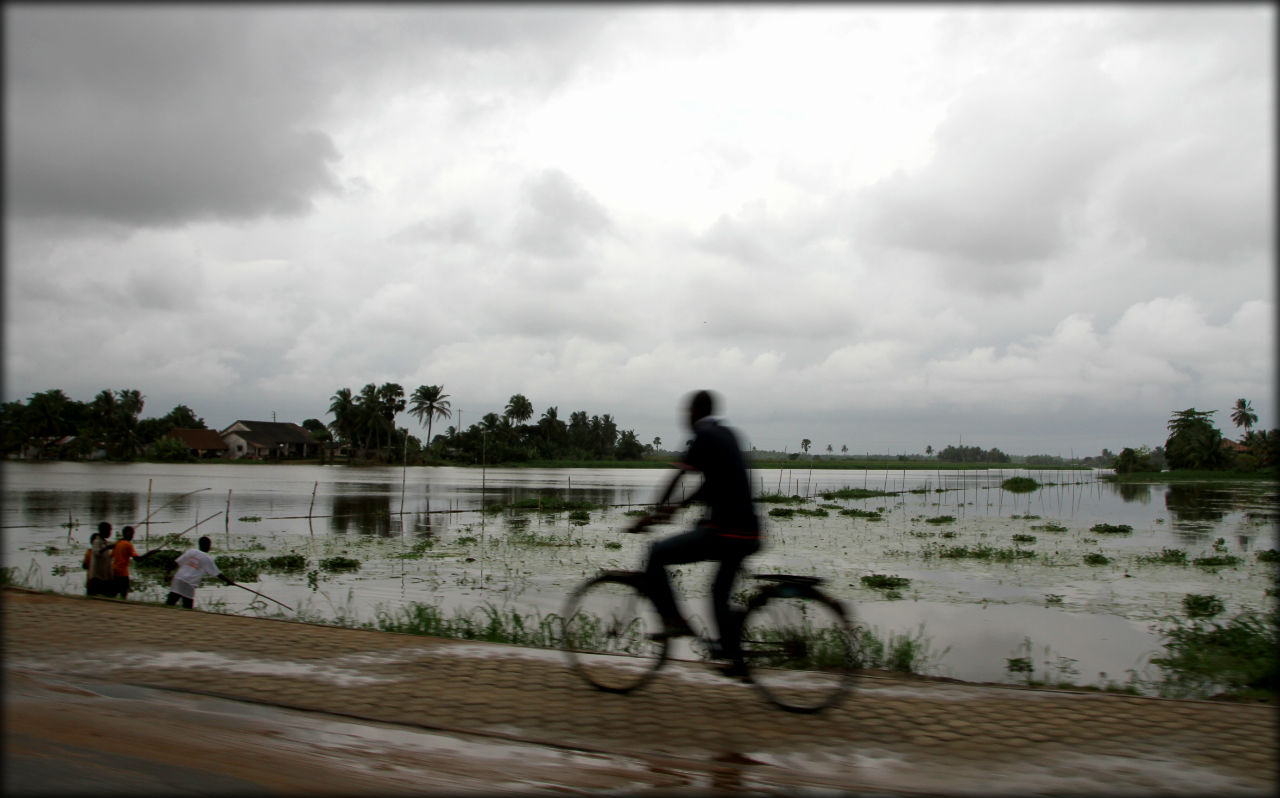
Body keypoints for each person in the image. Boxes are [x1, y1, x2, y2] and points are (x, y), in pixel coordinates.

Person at [629, 390, 762, 678]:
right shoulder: (726, 434)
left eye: (686, 413)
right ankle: (735, 658)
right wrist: (676, 508)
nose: (684, 419)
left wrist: (653, 514)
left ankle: (674, 620)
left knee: (656, 553)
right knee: (718, 596)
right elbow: (710, 484)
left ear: (695, 413)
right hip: (747, 531)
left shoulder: (703, 435)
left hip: (727, 533)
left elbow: (677, 475)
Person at [165, 536, 235, 609]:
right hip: (189, 583)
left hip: (178, 579)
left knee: (170, 604)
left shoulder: (191, 551)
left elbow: (176, 562)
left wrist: (167, 573)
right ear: (208, 546)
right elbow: (217, 574)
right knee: (187, 608)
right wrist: (229, 581)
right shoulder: (207, 558)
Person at [108, 526, 149, 599]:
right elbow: (138, 559)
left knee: (112, 595)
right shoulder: (128, 545)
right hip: (123, 574)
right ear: (128, 533)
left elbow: (111, 556)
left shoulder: (118, 543)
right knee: (123, 595)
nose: (132, 537)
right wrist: (150, 553)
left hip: (114, 572)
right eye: (132, 534)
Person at [86, 522, 115, 597]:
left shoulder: (104, 542)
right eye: (109, 531)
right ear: (103, 531)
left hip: (104, 577)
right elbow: (97, 553)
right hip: (96, 578)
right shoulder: (96, 542)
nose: (110, 533)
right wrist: (107, 547)